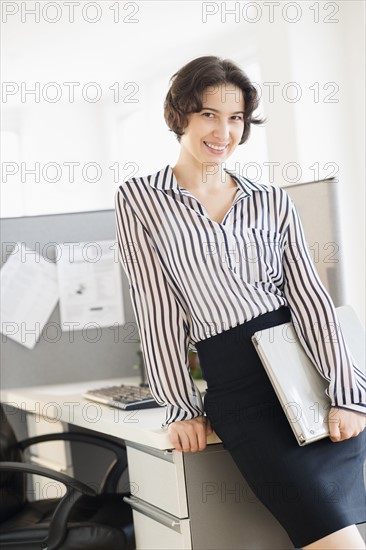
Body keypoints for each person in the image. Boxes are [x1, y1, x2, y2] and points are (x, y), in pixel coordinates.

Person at [115, 56, 366, 550]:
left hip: (309, 375)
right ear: (180, 114)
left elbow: (309, 298)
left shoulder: (271, 200)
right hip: (241, 393)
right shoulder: (140, 198)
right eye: (209, 114)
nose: (224, 131)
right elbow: (157, 306)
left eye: (236, 119)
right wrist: (179, 406)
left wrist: (346, 392)